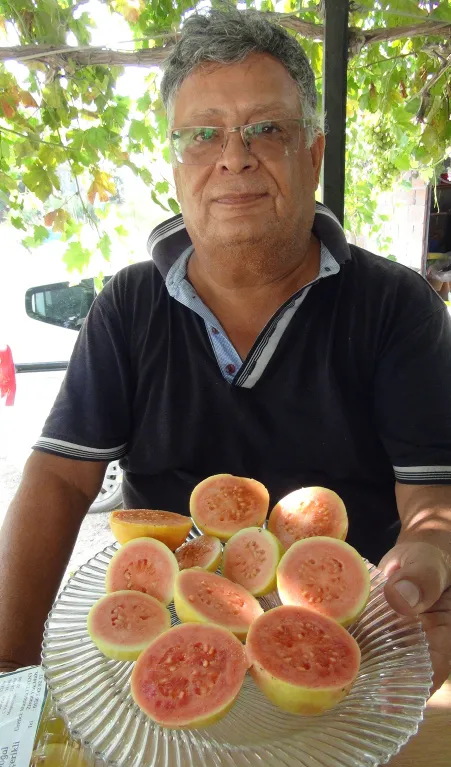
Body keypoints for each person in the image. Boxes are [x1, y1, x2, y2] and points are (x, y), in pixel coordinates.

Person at [1, 8, 450, 693]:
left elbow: (432, 499)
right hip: (163, 662)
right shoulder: (127, 305)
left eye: (265, 129)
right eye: (201, 134)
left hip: (340, 661)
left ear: (313, 154)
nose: (233, 155)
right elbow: (59, 482)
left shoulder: (395, 306)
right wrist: (9, 670)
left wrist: (426, 560)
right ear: (176, 164)